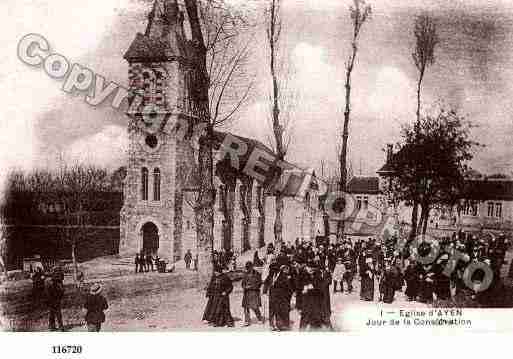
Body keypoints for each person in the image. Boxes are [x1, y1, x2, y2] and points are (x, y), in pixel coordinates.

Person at [264, 263, 294, 331]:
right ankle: (271, 325)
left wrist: (288, 296)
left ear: (277, 270)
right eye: (270, 270)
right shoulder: (271, 275)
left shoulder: (283, 276)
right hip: (272, 295)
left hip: (280, 296)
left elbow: (288, 287)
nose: (271, 271)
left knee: (278, 310)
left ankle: (279, 325)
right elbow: (266, 282)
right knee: (271, 310)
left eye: (272, 270)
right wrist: (264, 291)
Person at [241, 261, 263, 326]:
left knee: (255, 307)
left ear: (252, 267)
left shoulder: (257, 274)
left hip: (254, 293)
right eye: (247, 267)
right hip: (247, 293)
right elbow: (243, 283)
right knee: (246, 307)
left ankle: (259, 319)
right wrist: (244, 287)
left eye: (249, 267)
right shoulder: (245, 274)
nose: (248, 269)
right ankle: (247, 320)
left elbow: (259, 283)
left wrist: (251, 287)